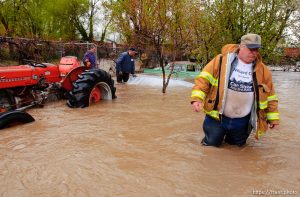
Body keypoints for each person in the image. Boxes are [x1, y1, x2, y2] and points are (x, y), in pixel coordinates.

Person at [191, 33, 279, 147]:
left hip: (242, 122)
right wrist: (197, 99)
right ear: (241, 46)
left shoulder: (263, 70)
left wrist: (273, 118)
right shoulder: (221, 61)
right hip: (217, 118)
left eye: (256, 49)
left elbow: (270, 96)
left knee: (236, 151)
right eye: (251, 49)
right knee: (210, 146)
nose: (254, 53)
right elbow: (203, 80)